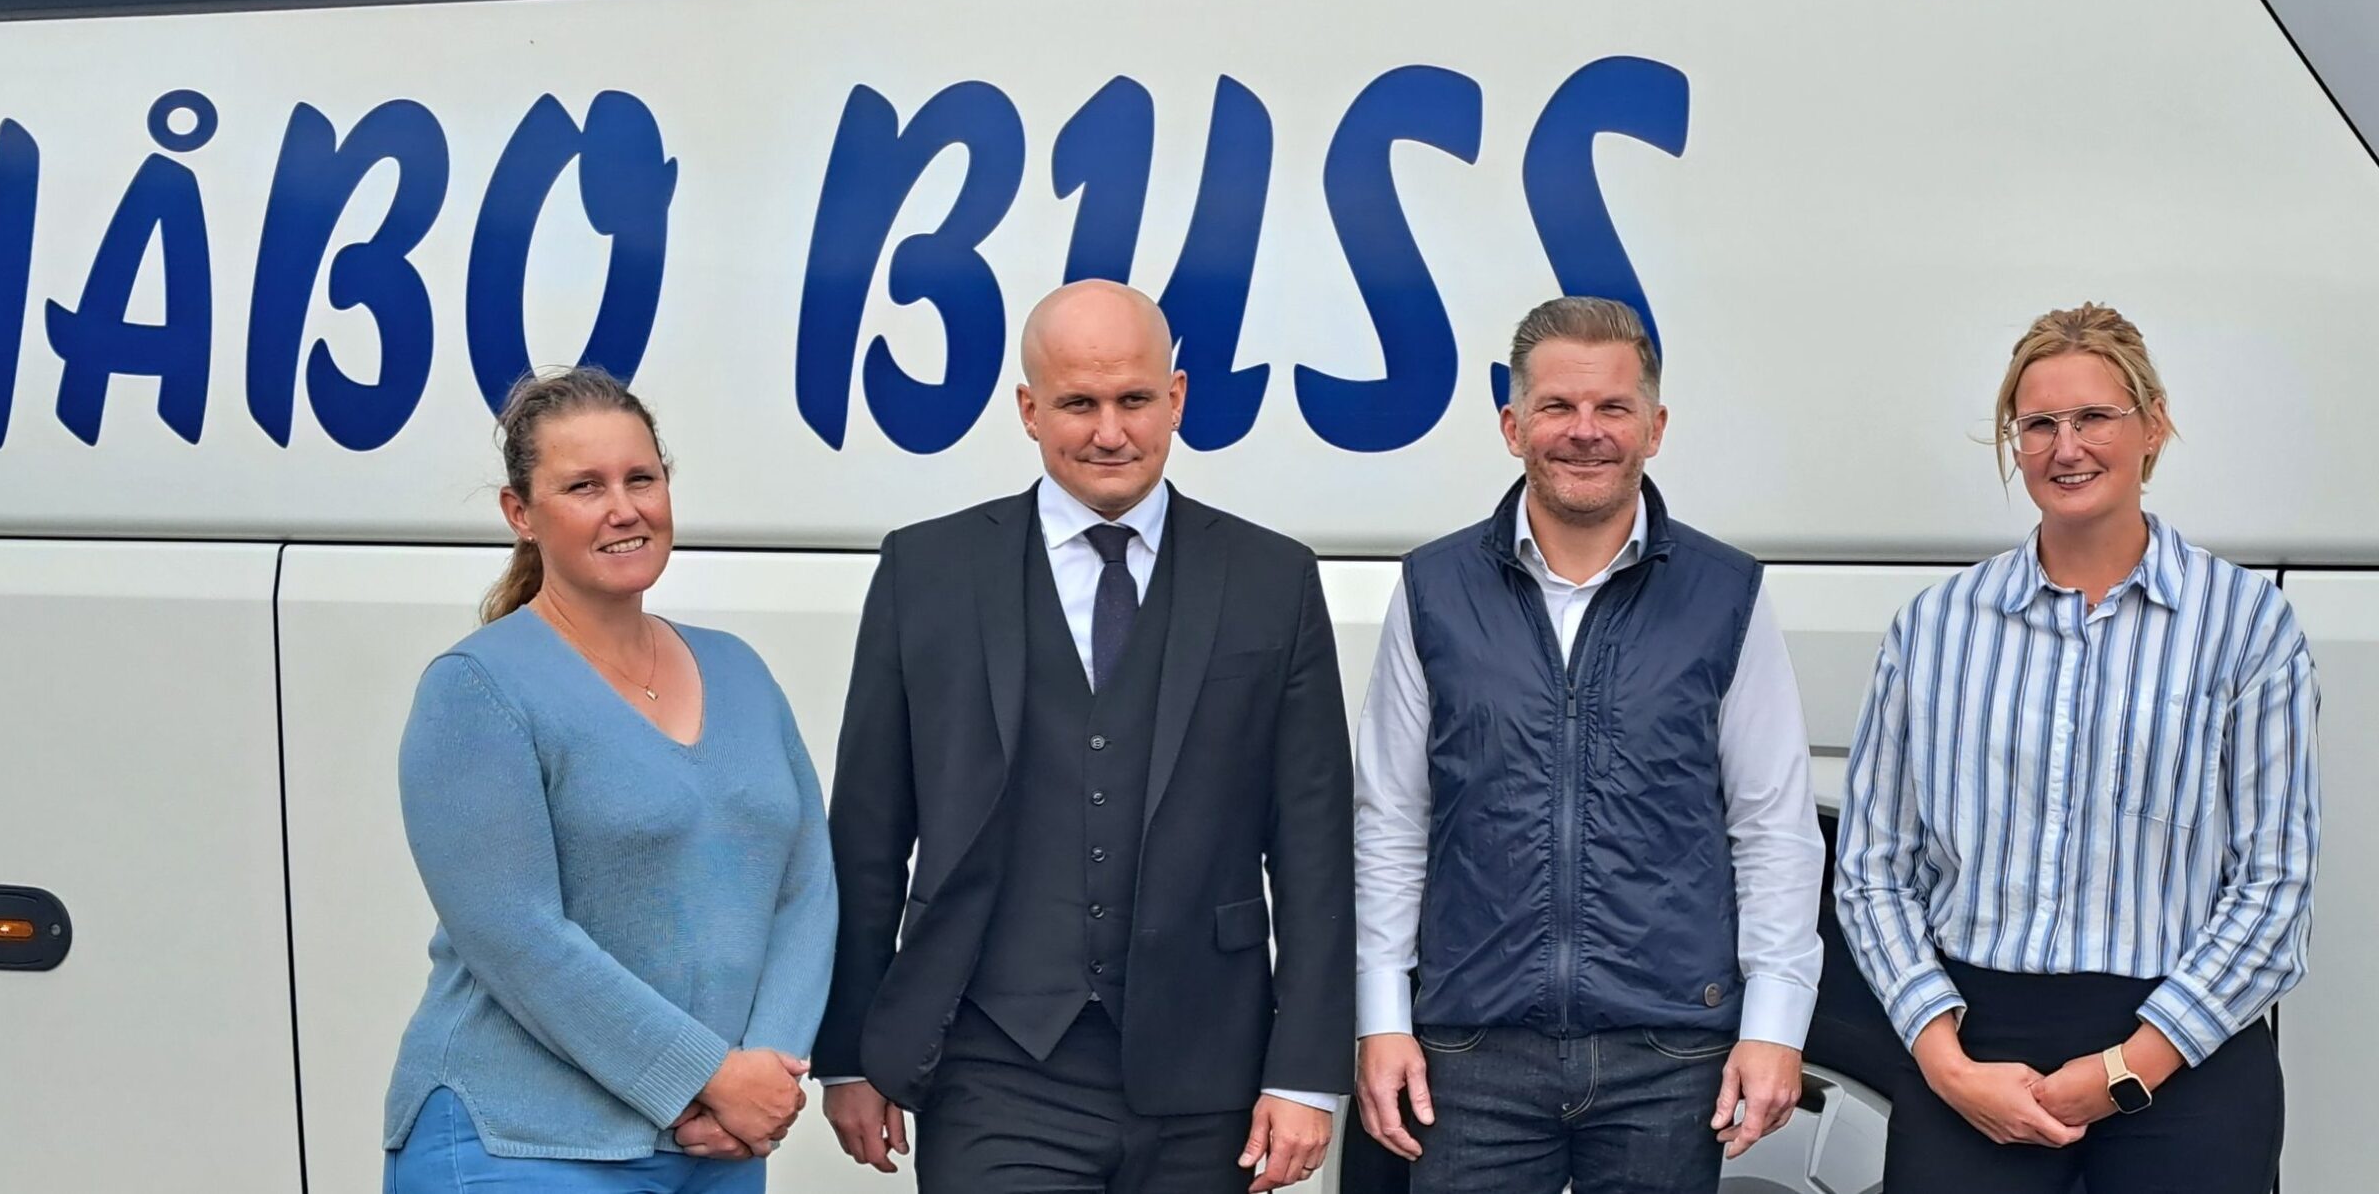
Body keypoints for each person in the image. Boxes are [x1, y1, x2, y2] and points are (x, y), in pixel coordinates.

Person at [816, 279, 1354, 1193]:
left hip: (1209, 1067)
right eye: (1078, 403)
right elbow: (868, 831)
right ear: (1030, 410)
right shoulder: (926, 569)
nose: (1110, 431)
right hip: (993, 1063)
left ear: (1176, 397)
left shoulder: (1274, 577)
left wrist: (1304, 1071)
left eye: (1134, 399)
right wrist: (848, 1052)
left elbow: (1314, 846)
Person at [1835, 303, 2319, 1193]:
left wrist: (2130, 1066)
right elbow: (1872, 867)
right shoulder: (1935, 629)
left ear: (2153, 424)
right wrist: (1946, 1062)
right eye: (2039, 425)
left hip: (2187, 1050)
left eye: (2095, 416)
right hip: (1977, 1048)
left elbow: (2275, 881)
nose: (2066, 448)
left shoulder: (2247, 624)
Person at [1352, 295, 1825, 1194]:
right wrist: (1381, 1016)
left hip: (1669, 1053)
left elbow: (1772, 827)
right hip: (1472, 1052)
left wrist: (1774, 1025)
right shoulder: (1432, 589)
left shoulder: (1725, 593)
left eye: (1612, 407)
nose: (1585, 431)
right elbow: (1391, 822)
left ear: (1655, 426)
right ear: (1512, 425)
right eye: (1557, 406)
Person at [382, 367, 839, 1192]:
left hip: (717, 1149)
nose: (623, 508)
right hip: (521, 1145)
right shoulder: (477, 687)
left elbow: (806, 886)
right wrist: (707, 1076)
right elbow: (516, 934)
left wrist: (765, 1073)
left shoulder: (739, 670)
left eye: (641, 478)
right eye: (584, 486)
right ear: (520, 513)